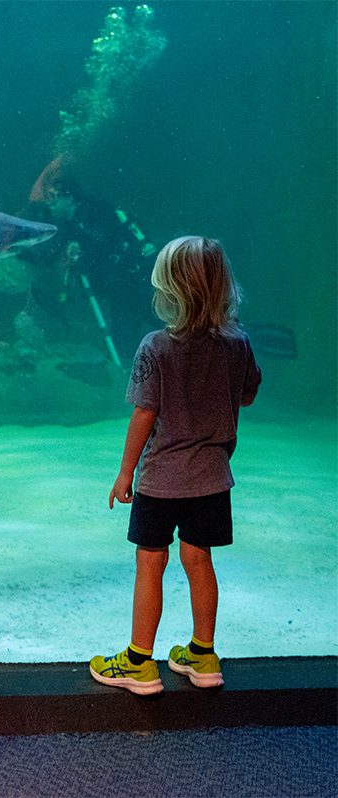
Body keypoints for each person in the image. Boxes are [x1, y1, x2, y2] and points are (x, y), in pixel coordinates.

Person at [89, 236, 262, 696]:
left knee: (151, 562)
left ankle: (138, 662)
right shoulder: (238, 343)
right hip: (212, 478)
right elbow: (247, 393)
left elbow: (144, 412)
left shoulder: (155, 346)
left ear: (170, 290)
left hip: (161, 480)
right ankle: (203, 656)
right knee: (198, 559)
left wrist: (125, 472)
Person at [22, 163, 162, 365]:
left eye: (53, 197)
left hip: (140, 279)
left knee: (164, 325)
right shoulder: (70, 224)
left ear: (68, 197)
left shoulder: (93, 212)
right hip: (122, 289)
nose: (49, 204)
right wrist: (22, 252)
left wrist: (82, 258)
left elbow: (104, 247)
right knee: (125, 342)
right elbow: (50, 256)